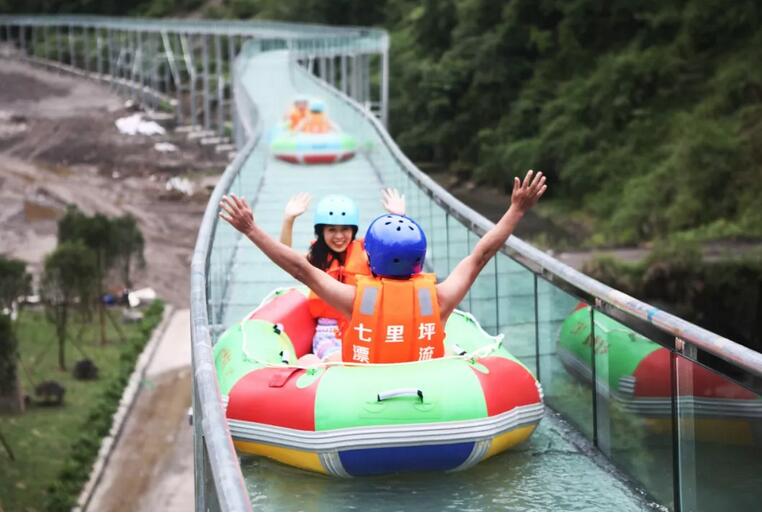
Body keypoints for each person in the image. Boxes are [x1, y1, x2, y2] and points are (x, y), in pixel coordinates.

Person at [219, 170, 546, 364]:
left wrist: (251, 230)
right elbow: (481, 255)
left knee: (307, 361)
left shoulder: (354, 299)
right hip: (427, 384)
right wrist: (517, 210)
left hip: (363, 379)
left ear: (369, 258)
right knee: (451, 347)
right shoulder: (441, 297)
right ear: (420, 259)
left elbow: (298, 269)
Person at [273, 189, 405, 362]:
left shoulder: (367, 254)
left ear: (353, 230)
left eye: (344, 229)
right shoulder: (317, 258)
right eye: (331, 230)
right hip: (328, 334)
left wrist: (399, 218)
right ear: (322, 232)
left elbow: (398, 251)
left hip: (363, 328)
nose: (339, 236)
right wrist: (288, 219)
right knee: (336, 360)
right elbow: (286, 257)